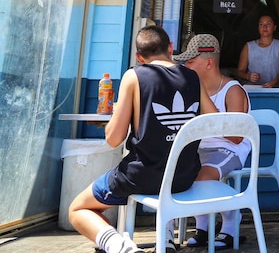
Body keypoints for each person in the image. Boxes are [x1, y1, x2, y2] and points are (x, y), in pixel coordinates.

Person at [68, 25, 217, 253]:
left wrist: (121, 113)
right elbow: (214, 122)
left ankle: (121, 247)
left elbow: (114, 139)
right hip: (184, 177)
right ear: (171, 48)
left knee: (77, 209)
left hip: (142, 176)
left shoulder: (133, 76)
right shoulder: (193, 77)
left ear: (139, 57)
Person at [175, 34, 251, 250]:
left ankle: (230, 221)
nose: (185, 66)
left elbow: (236, 136)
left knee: (201, 177)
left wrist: (202, 97)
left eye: (190, 62)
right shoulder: (189, 89)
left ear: (209, 63)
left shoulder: (232, 89)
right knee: (175, 173)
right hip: (199, 148)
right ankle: (203, 227)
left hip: (228, 149)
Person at [237, 14, 279, 88]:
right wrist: (248, 76)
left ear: (274, 27)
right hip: (253, 90)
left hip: (275, 89)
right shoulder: (248, 46)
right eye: (261, 24)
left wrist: (275, 81)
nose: (264, 27)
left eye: (268, 24)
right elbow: (240, 71)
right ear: (258, 27)